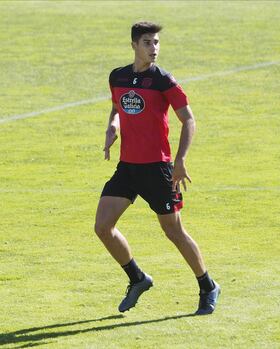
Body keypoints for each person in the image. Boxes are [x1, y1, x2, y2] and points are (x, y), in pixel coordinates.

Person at [94, 21, 220, 315]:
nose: (154, 48)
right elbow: (117, 106)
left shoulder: (164, 80)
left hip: (158, 169)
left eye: (157, 43)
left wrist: (180, 160)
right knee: (102, 226)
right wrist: (112, 127)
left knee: (173, 232)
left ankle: (207, 285)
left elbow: (188, 120)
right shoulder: (118, 76)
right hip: (128, 168)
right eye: (148, 42)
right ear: (134, 45)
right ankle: (138, 279)